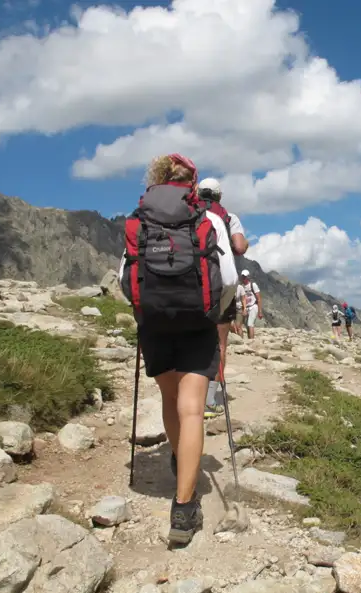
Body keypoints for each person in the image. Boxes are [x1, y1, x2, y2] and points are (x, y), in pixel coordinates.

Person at [120, 153, 237, 545]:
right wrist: (212, 313)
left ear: (155, 179)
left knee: (171, 401)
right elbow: (231, 280)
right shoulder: (208, 218)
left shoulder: (140, 219)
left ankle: (176, 456)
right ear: (193, 183)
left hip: (155, 324)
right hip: (197, 324)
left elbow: (126, 277)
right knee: (193, 410)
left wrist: (146, 311)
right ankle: (184, 508)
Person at [197, 177, 249, 418]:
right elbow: (239, 247)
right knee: (220, 345)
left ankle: (188, 396)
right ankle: (210, 400)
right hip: (220, 286)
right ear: (219, 196)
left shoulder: (189, 213)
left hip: (191, 287)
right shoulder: (229, 217)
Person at [238, 270, 262, 339]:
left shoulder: (253, 285)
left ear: (248, 277)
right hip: (246, 308)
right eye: (242, 276)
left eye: (244, 277)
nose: (243, 278)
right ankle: (249, 339)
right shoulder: (241, 286)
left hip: (253, 307)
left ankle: (251, 341)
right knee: (246, 325)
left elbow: (259, 299)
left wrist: (260, 312)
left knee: (250, 324)